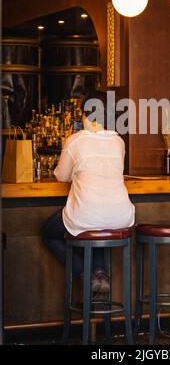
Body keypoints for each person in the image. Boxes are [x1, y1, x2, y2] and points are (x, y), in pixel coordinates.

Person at [42, 98, 135, 294]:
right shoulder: (118, 141)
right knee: (98, 223)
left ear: (86, 116)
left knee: (50, 233)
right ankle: (100, 274)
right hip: (122, 217)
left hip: (87, 216)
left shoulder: (75, 140)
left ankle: (82, 274)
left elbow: (61, 176)